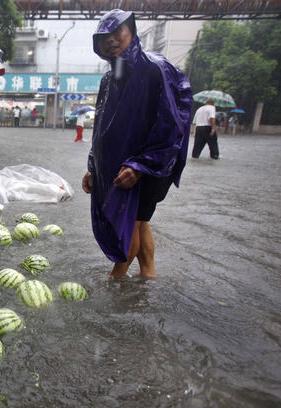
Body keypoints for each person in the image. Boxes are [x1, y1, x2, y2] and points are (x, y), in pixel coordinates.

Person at [81, 9, 193, 279]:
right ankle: (148, 276)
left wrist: (142, 165)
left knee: (129, 222)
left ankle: (116, 283)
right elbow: (102, 128)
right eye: (103, 37)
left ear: (132, 31)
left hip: (151, 164)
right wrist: (94, 166)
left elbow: (172, 122)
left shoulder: (156, 67)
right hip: (123, 164)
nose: (112, 40)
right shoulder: (109, 79)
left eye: (118, 32)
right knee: (141, 222)